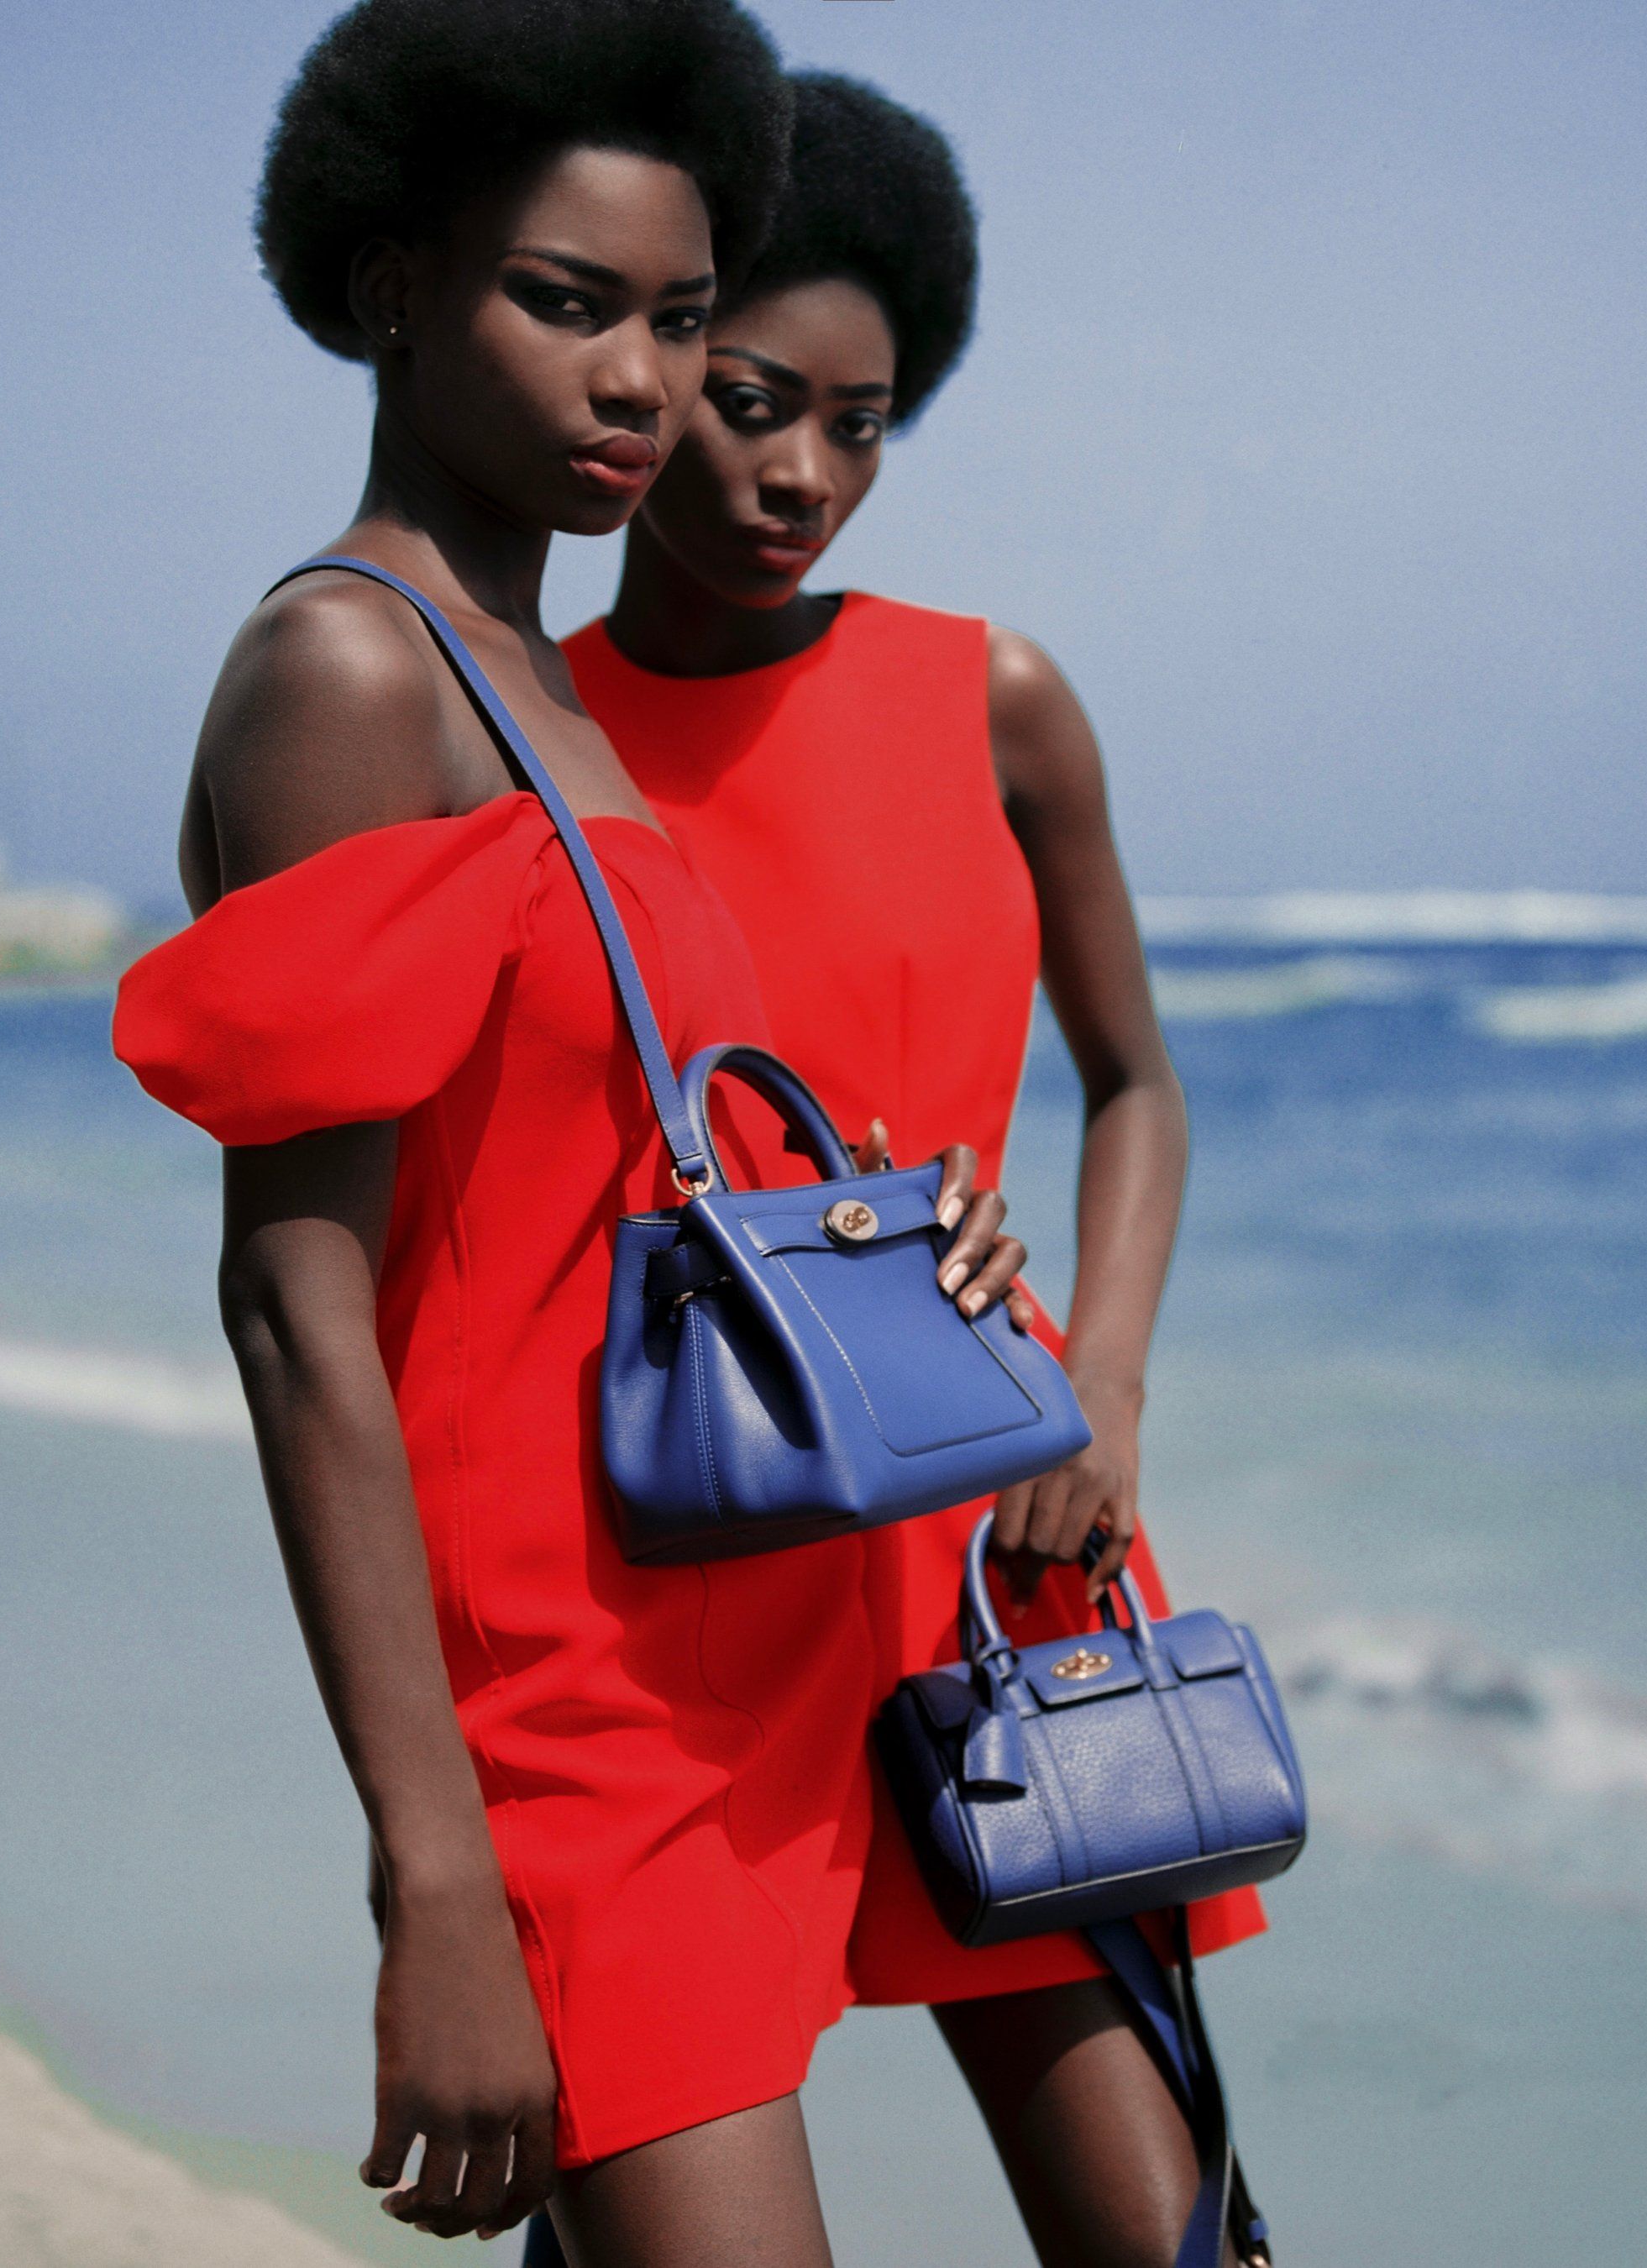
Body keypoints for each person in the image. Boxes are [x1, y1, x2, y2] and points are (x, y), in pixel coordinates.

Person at [113, 8, 1031, 2260]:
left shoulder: (541, 684)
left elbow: (591, 1187)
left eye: (681, 317)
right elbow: (298, 1306)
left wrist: (920, 1237)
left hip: (744, 1676)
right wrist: (432, 1874)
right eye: (567, 300)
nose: (638, 377)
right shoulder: (354, 673)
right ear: (398, 278)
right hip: (558, 1737)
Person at [563, 72, 1267, 2266]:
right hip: (680, 1561)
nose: (800, 475)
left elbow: (1134, 1079)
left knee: (1166, 2233)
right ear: (658, 358)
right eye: (755, 397)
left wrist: (1113, 1393)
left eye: (861, 425)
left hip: (993, 1543)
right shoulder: (523, 733)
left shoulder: (996, 702)